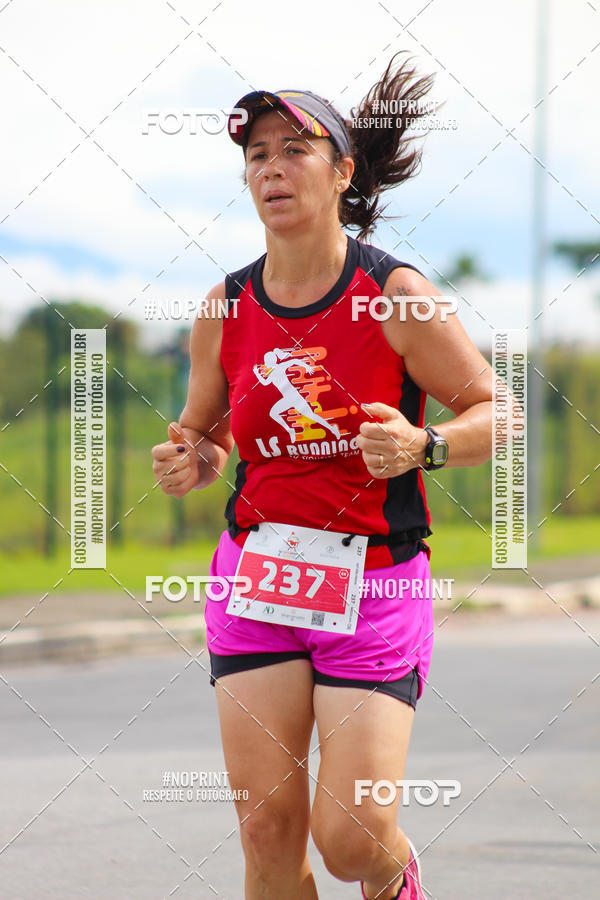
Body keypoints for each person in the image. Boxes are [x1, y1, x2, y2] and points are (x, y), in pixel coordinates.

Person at [152, 53, 494, 900]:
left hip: (375, 581)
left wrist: (427, 445)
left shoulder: (395, 295)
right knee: (268, 835)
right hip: (258, 574)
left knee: (348, 840)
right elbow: (207, 432)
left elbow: (496, 410)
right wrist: (192, 458)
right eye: (257, 153)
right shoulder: (225, 306)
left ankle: (396, 874)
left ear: (341, 171)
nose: (271, 166)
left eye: (293, 149)